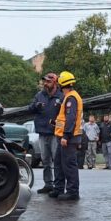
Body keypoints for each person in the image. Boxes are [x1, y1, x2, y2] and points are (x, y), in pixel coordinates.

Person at [28, 73, 63, 194]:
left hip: (55, 133)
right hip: (42, 132)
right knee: (45, 160)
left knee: (57, 160)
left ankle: (59, 185)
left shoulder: (61, 95)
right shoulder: (39, 95)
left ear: (55, 82)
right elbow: (30, 108)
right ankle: (48, 184)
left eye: (48, 81)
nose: (45, 83)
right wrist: (35, 106)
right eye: (45, 81)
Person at [51, 71, 83, 201]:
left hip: (68, 138)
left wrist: (66, 136)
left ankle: (72, 192)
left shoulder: (71, 98)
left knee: (69, 165)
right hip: (63, 136)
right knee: (59, 163)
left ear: (61, 85)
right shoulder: (69, 97)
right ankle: (58, 188)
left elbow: (71, 118)